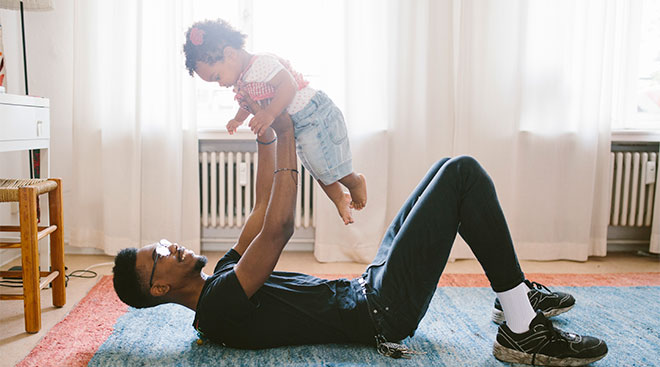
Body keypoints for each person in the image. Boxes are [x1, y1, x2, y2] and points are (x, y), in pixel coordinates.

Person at [112, 94, 608, 366]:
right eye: (158, 255)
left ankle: (513, 295)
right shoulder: (217, 308)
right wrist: (286, 131)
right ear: (159, 287)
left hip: (367, 287)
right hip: (380, 312)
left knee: (445, 168)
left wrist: (264, 133)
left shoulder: (218, 279)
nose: (169, 245)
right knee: (464, 175)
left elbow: (262, 207)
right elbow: (280, 228)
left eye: (159, 243)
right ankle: (521, 330)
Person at [183, 19, 366, 225]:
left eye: (217, 76)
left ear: (230, 55)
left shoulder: (260, 64)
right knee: (317, 168)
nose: (221, 84)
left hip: (314, 115)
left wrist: (269, 113)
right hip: (301, 125)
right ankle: (339, 198)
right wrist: (237, 119)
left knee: (329, 166)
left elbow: (288, 85)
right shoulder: (243, 80)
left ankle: (354, 180)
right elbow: (247, 103)